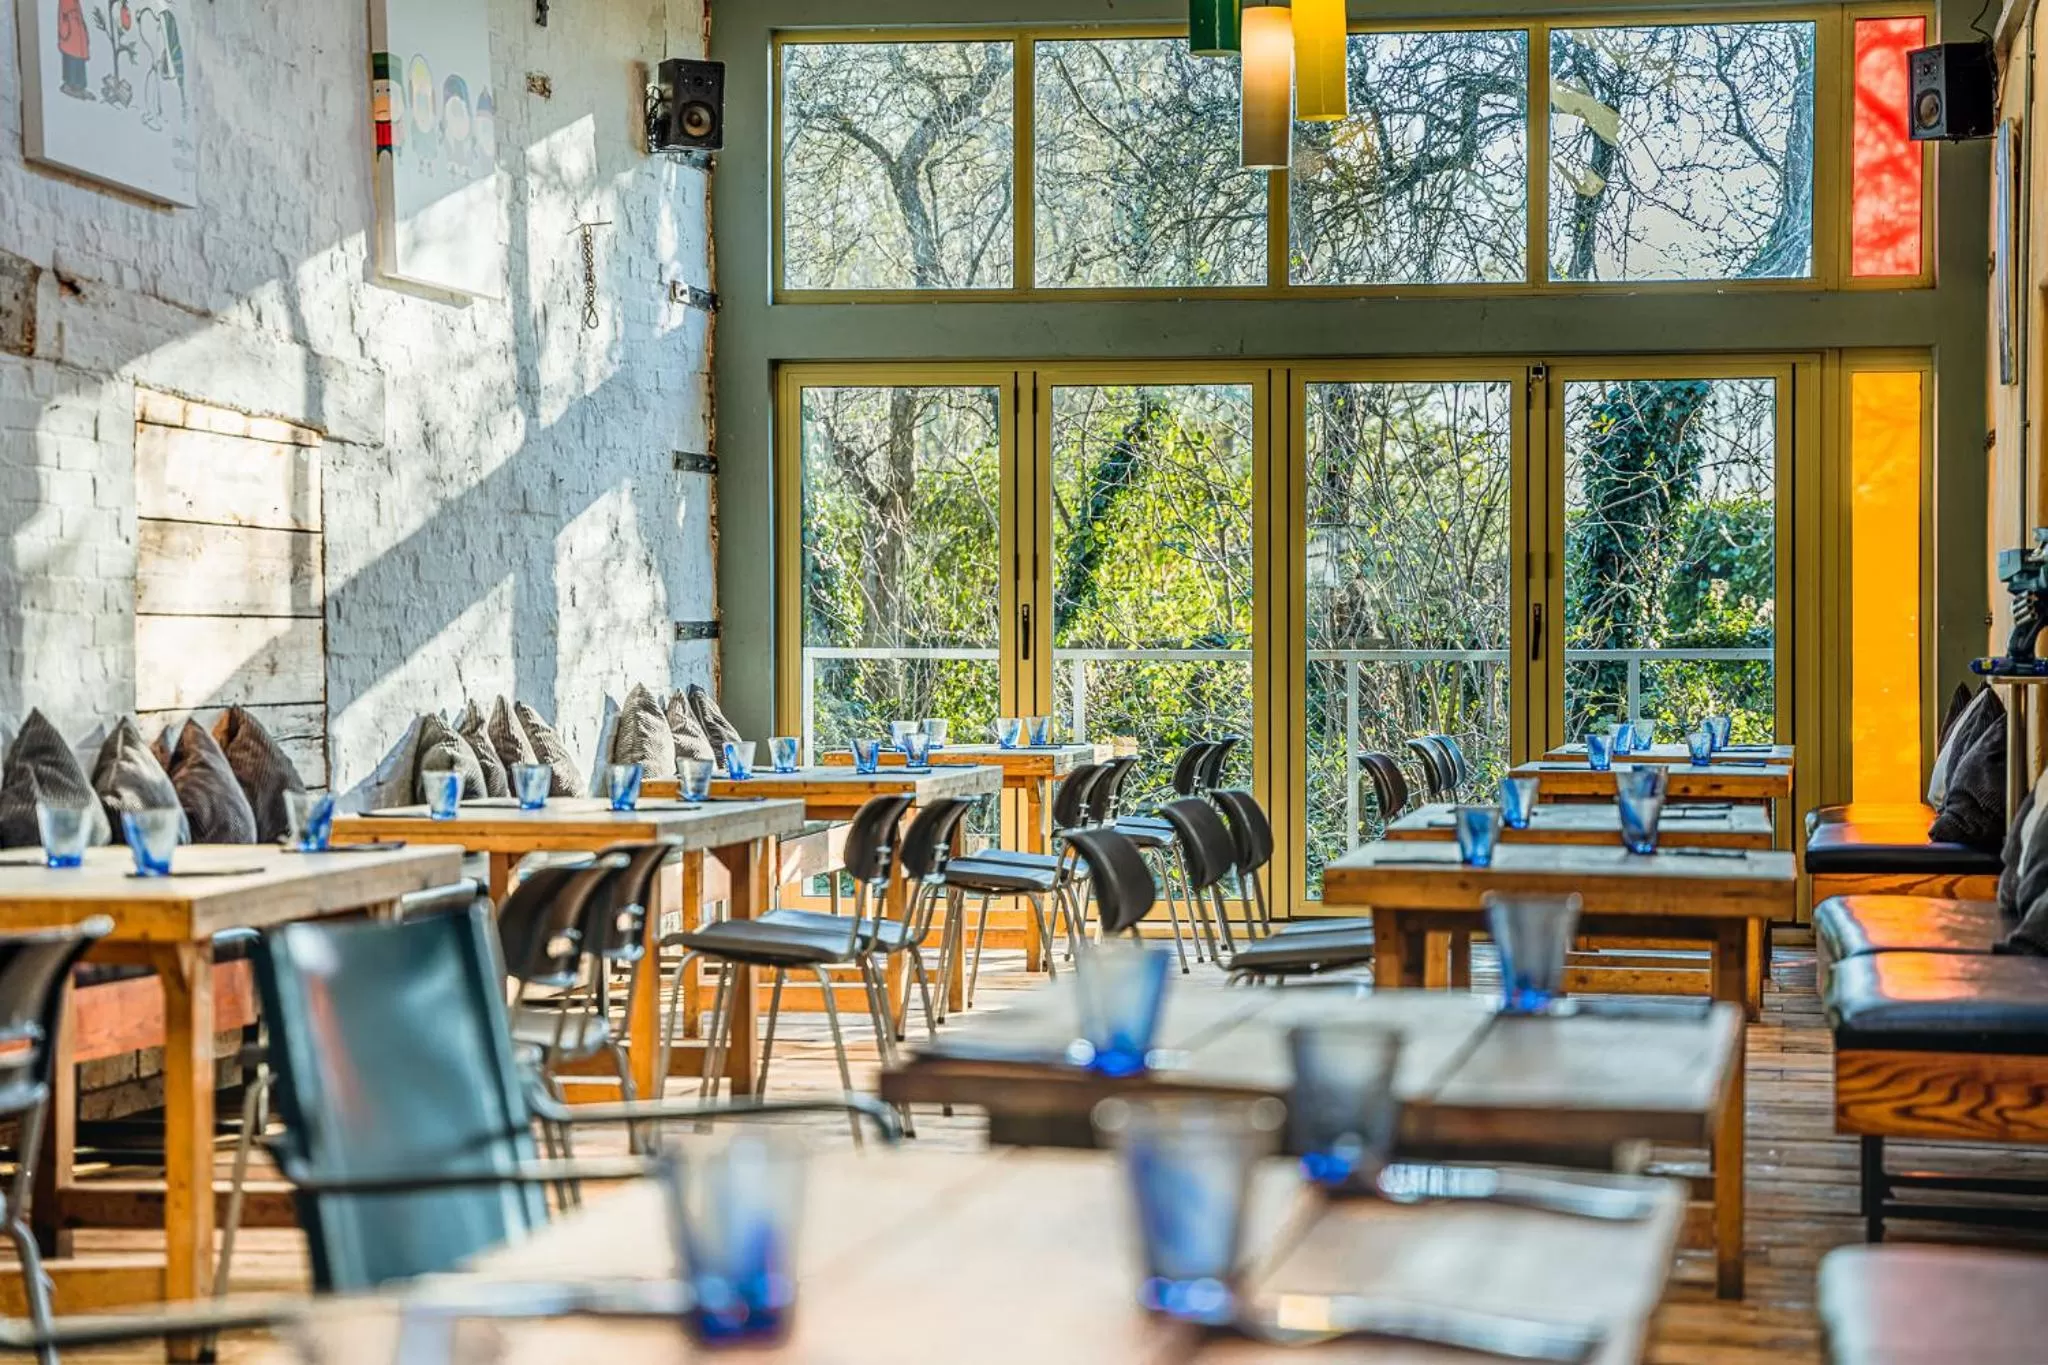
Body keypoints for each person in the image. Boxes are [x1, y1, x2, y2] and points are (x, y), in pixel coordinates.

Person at [57, 0, 91, 99]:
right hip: (70, 36)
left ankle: (80, 87)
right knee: (72, 60)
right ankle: (70, 85)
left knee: (79, 61)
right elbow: (65, 15)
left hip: (78, 36)